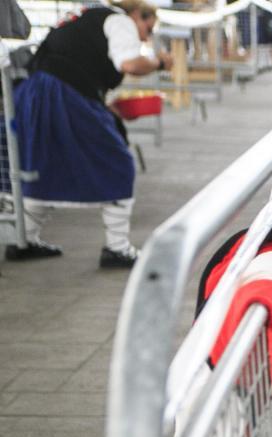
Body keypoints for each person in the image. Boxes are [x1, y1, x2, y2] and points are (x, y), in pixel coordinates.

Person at [8, 0, 172, 268]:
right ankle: (117, 248)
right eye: (148, 28)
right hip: (62, 93)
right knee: (119, 164)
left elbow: (78, 60)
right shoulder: (120, 21)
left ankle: (24, 241)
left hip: (35, 92)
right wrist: (159, 62)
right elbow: (129, 64)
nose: (146, 37)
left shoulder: (90, 14)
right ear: (136, 14)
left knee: (43, 166)